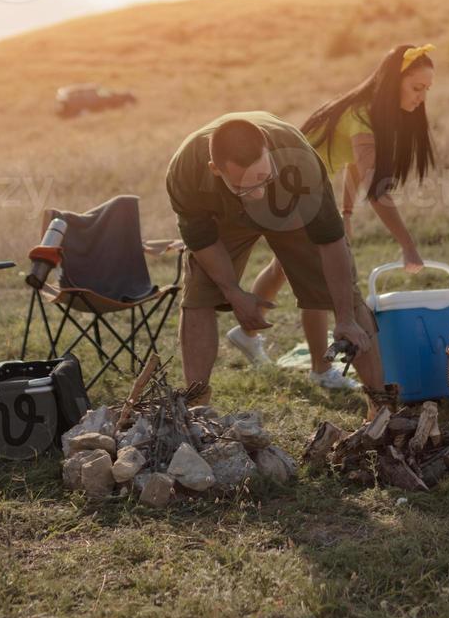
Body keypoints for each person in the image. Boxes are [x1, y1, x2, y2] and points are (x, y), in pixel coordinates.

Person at [227, 44, 436, 390]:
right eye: (417, 88)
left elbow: (350, 166)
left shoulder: (366, 114)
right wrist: (408, 246)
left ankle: (247, 332)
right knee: (319, 276)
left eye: (427, 89)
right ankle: (321, 370)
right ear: (393, 83)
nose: (422, 97)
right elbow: (378, 190)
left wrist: (347, 210)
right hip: (288, 190)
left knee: (286, 265)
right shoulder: (363, 117)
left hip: (292, 190)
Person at [165, 111, 384, 409]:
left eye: (262, 179)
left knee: (348, 295)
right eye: (244, 186)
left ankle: (381, 404)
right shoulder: (185, 170)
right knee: (198, 294)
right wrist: (232, 291)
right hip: (223, 215)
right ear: (215, 169)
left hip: (289, 203)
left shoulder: (300, 161)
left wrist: (344, 317)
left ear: (269, 149)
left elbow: (330, 241)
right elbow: (203, 241)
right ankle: (196, 407)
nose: (256, 194)